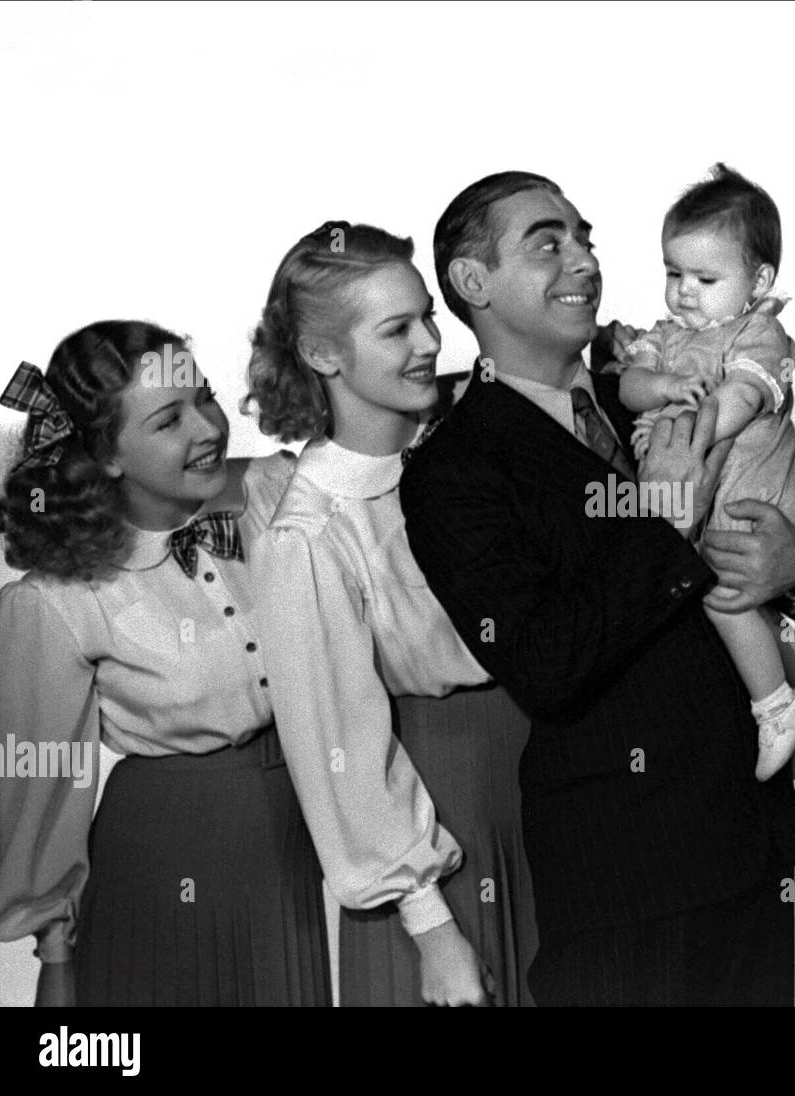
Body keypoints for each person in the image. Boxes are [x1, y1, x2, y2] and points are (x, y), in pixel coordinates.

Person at [402, 171, 795, 1006]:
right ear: (472, 281)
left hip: (748, 846)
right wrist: (664, 519)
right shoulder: (454, 468)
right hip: (625, 874)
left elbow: (781, 523)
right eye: (548, 243)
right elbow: (546, 660)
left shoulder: (652, 387)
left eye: (586, 237)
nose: (584, 262)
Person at [0, 322, 330, 1006]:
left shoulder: (274, 492)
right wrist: (56, 955)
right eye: (169, 419)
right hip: (162, 852)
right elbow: (44, 780)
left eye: (203, 397)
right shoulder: (54, 599)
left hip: (291, 842)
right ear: (107, 456)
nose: (207, 427)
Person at [246, 221, 538, 1007]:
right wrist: (433, 929)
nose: (427, 344)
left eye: (428, 319)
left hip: (547, 793)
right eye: (396, 329)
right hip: (435, 818)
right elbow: (336, 742)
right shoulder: (308, 535)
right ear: (322, 353)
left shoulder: (475, 452)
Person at [612, 163, 795, 780]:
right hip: (711, 501)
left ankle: (779, 706)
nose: (684, 291)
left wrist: (690, 441)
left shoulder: (760, 333)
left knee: (719, 590)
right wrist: (661, 383)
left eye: (705, 277)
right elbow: (631, 387)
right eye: (673, 273)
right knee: (731, 597)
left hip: (758, 496)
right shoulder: (662, 337)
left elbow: (744, 396)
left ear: (757, 279)